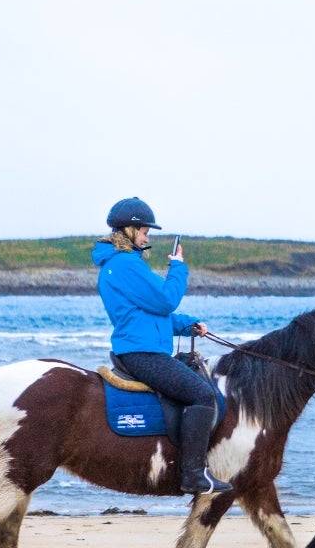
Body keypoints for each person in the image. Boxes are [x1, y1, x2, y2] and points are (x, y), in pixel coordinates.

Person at [92, 197, 233, 494]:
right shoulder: (126, 264)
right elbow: (167, 299)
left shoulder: (120, 265)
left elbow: (148, 314)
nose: (147, 238)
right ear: (129, 230)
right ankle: (193, 473)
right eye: (144, 232)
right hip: (142, 353)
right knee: (203, 396)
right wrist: (178, 267)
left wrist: (187, 324)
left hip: (139, 345)